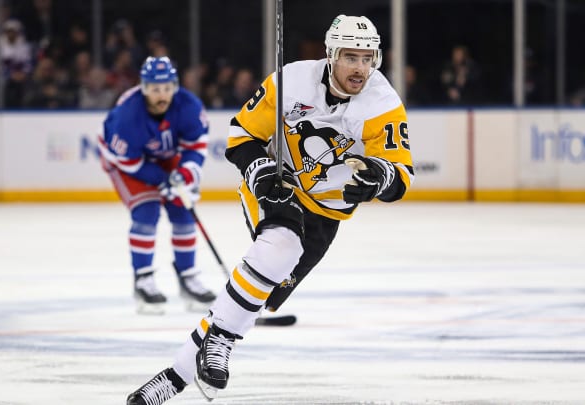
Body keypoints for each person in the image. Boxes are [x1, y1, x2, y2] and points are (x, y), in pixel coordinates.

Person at [126, 14, 414, 404]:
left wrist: (379, 177)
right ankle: (222, 341)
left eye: (367, 58)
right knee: (280, 246)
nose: (360, 68)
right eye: (350, 57)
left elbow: (401, 175)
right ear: (330, 55)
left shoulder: (382, 104)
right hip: (280, 186)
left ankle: (174, 376)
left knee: (261, 290)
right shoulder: (291, 81)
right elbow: (241, 134)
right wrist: (259, 169)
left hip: (327, 214)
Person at [98, 56, 216, 315]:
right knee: (147, 210)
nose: (161, 94)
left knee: (183, 208)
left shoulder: (188, 105)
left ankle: (188, 277)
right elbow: (127, 161)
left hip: (163, 156)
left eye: (165, 88)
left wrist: (184, 176)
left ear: (174, 86)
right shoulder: (127, 116)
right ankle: (143, 280)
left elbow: (196, 147)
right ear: (143, 88)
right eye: (154, 89)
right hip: (124, 162)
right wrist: (163, 181)